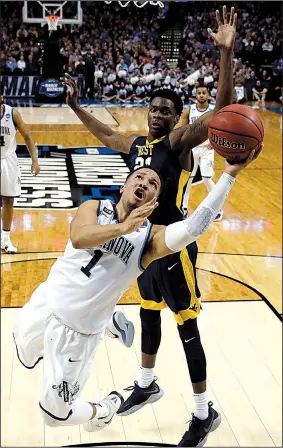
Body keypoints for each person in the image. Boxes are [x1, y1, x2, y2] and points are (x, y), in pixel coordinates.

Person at [61, 7, 237, 446]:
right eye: (153, 109)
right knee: (149, 313)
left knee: (187, 325)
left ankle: (203, 412)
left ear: (177, 118)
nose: (157, 115)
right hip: (142, 249)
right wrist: (78, 107)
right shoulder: (138, 145)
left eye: (166, 111)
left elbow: (221, 110)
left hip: (173, 244)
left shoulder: (178, 143)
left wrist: (225, 54)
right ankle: (145, 383)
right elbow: (106, 134)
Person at [13, 157, 256, 438]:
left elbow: (194, 227)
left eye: (153, 183)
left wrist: (228, 176)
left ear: (154, 202)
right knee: (22, 351)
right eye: (139, 177)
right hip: (45, 303)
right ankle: (111, 322)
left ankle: (105, 409)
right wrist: (121, 228)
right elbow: (79, 238)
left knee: (54, 415)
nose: (144, 183)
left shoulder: (149, 241)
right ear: (123, 186)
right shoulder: (94, 207)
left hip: (76, 334)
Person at [1, 83, 40, 253]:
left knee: (9, 200)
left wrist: (35, 160)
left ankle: (5, 239)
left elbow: (28, 136)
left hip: (8, 160)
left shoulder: (12, 113)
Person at [187, 83, 224, 221]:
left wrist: (214, 142)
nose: (201, 95)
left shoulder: (214, 111)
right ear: (195, 95)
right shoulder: (190, 110)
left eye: (204, 93)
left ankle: (218, 209)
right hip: (193, 148)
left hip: (207, 149)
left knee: (207, 178)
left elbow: (220, 128)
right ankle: (183, 209)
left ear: (208, 95)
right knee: (188, 180)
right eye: (199, 93)